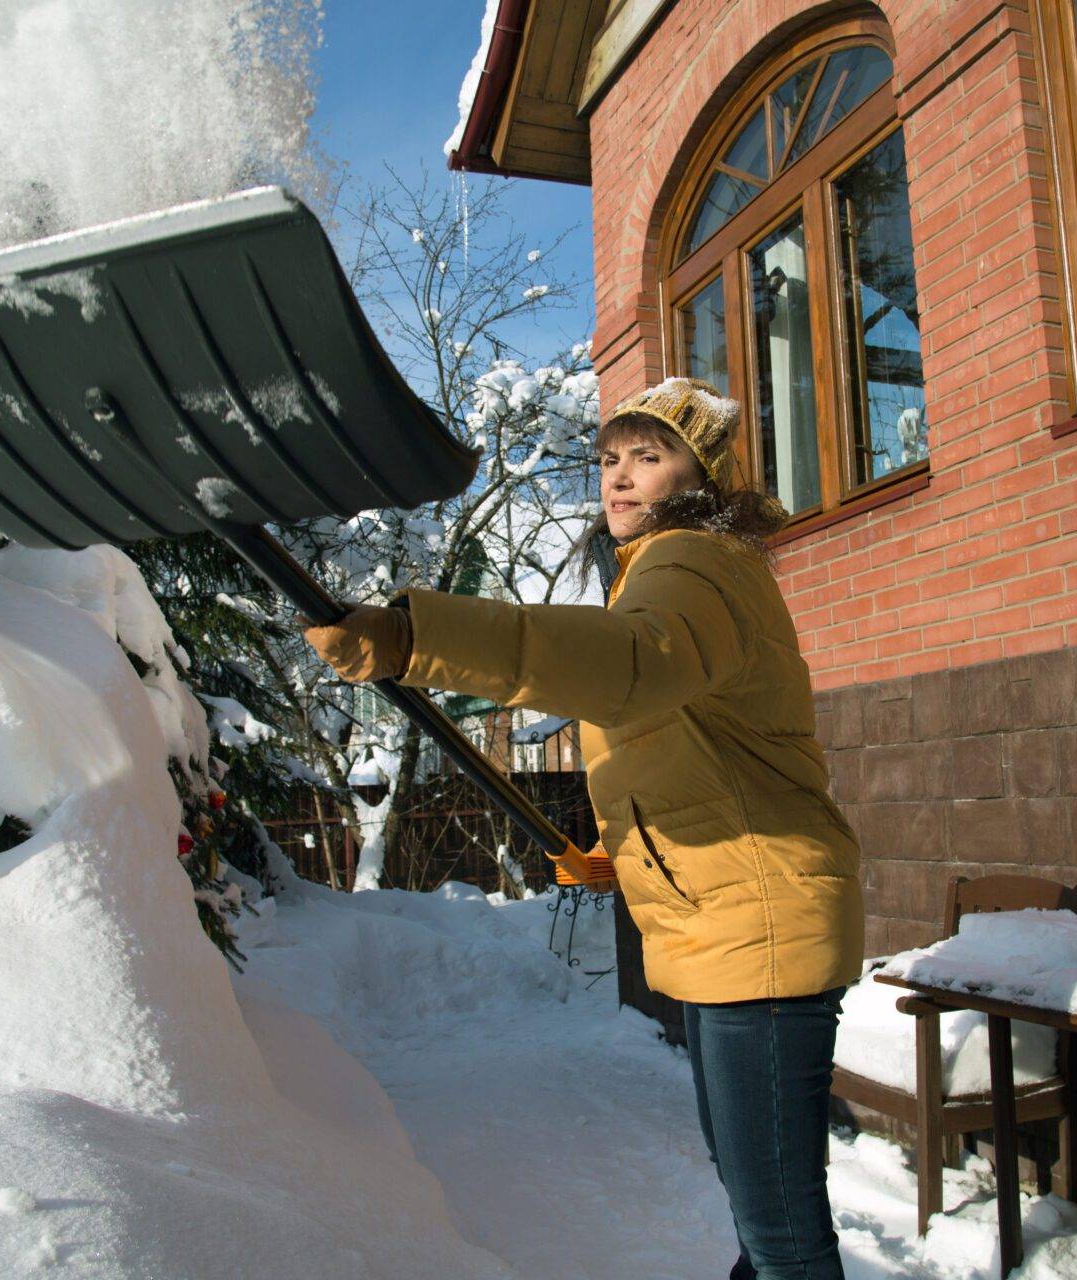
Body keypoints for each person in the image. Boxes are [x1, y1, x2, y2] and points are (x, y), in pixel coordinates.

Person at [304, 377, 864, 1280]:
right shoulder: (672, 573)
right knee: (763, 1216)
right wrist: (626, 850)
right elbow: (687, 747)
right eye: (609, 460)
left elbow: (631, 668)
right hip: (734, 918)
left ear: (703, 473)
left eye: (651, 457)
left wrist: (418, 638)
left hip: (759, 926)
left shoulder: (693, 561)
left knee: (784, 1238)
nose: (620, 479)